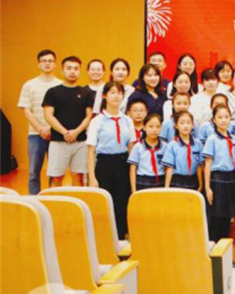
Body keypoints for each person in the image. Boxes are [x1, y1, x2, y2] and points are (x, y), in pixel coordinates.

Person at [87, 82, 136, 238]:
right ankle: (105, 237)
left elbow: (131, 147)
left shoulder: (127, 120)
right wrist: (92, 177)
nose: (116, 96)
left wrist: (133, 170)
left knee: (122, 200)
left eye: (119, 93)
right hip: (104, 163)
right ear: (104, 95)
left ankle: (121, 236)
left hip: (123, 162)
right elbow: (91, 150)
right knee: (105, 202)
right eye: (112, 92)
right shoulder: (97, 121)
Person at [42, 56, 93, 187]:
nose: (72, 71)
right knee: (56, 177)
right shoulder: (53, 92)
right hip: (58, 141)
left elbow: (89, 116)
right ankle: (54, 201)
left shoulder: (86, 93)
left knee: (78, 177)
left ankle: (77, 201)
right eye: (69, 68)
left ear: (80, 71)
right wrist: (65, 132)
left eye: (76, 68)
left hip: (80, 141)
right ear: (62, 70)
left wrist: (76, 132)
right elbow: (48, 115)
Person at [19, 49, 63, 191]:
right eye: (44, 61)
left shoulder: (61, 85)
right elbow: (26, 110)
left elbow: (63, 112)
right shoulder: (29, 85)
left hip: (56, 134)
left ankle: (52, 199)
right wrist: (40, 129)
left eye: (50, 61)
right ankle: (34, 200)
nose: (47, 64)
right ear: (38, 64)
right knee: (33, 173)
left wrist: (50, 128)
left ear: (55, 64)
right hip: (35, 134)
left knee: (55, 173)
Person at [202, 104, 235, 242]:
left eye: (226, 117)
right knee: (215, 215)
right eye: (220, 117)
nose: (223, 120)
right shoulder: (212, 139)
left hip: (231, 178)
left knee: (227, 215)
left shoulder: (234, 139)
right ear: (214, 120)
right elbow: (207, 164)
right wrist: (207, 187)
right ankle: (213, 246)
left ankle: (224, 247)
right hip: (217, 178)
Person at [163, 111, 204, 191]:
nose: (185, 126)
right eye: (182, 123)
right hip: (177, 181)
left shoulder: (198, 143)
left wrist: (200, 184)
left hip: (193, 180)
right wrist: (167, 187)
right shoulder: (172, 145)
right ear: (176, 126)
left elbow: (199, 166)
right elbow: (169, 168)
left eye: (188, 123)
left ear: (193, 125)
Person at [128, 113, 166, 192]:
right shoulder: (138, 146)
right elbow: (132, 169)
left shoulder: (165, 146)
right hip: (143, 181)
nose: (154, 130)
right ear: (144, 127)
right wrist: (133, 190)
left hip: (160, 180)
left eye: (158, 126)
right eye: (151, 126)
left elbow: (167, 168)